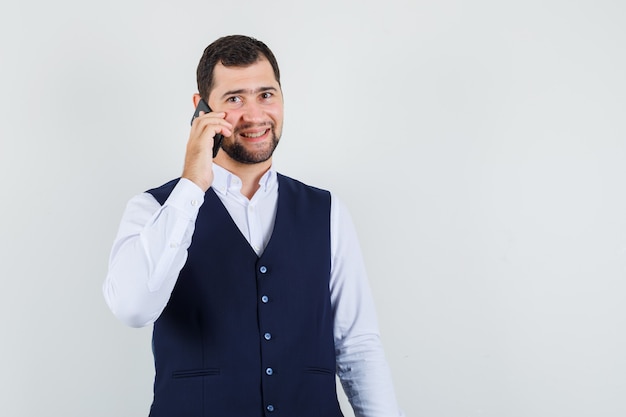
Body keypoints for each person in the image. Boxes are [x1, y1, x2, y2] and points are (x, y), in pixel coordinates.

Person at [103, 34, 403, 417]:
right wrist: (192, 185)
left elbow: (358, 346)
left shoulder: (326, 211)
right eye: (234, 99)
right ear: (201, 110)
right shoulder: (154, 209)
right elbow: (131, 308)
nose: (255, 115)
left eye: (266, 94)